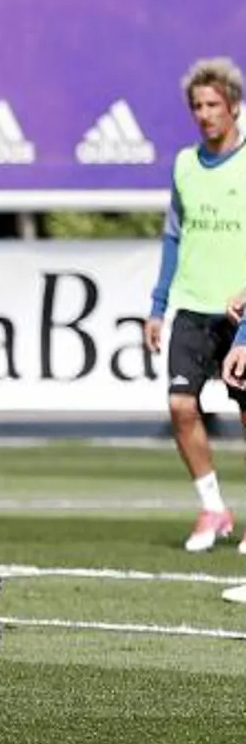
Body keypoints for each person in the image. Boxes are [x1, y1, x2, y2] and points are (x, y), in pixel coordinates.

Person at [146, 57, 246, 552]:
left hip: (242, 313)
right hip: (192, 305)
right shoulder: (185, 164)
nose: (205, 114)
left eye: (213, 105)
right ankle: (213, 507)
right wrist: (158, 306)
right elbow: (172, 236)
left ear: (233, 107)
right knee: (181, 405)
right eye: (197, 106)